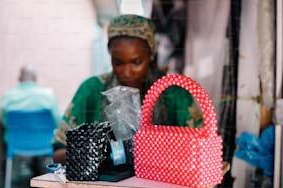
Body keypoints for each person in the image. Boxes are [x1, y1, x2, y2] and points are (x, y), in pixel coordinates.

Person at [52, 14, 203, 164]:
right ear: (110, 56)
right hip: (103, 187)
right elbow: (58, 153)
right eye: (118, 63)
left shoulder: (174, 92)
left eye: (136, 62)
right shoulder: (91, 90)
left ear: (150, 55)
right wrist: (101, 153)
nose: (127, 73)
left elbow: (200, 150)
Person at [0, 64, 62, 176]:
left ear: (19, 79)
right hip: (45, 142)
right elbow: (58, 122)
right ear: (35, 78)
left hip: (16, 143)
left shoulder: (8, 96)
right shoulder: (48, 95)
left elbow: (5, 122)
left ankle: (12, 179)